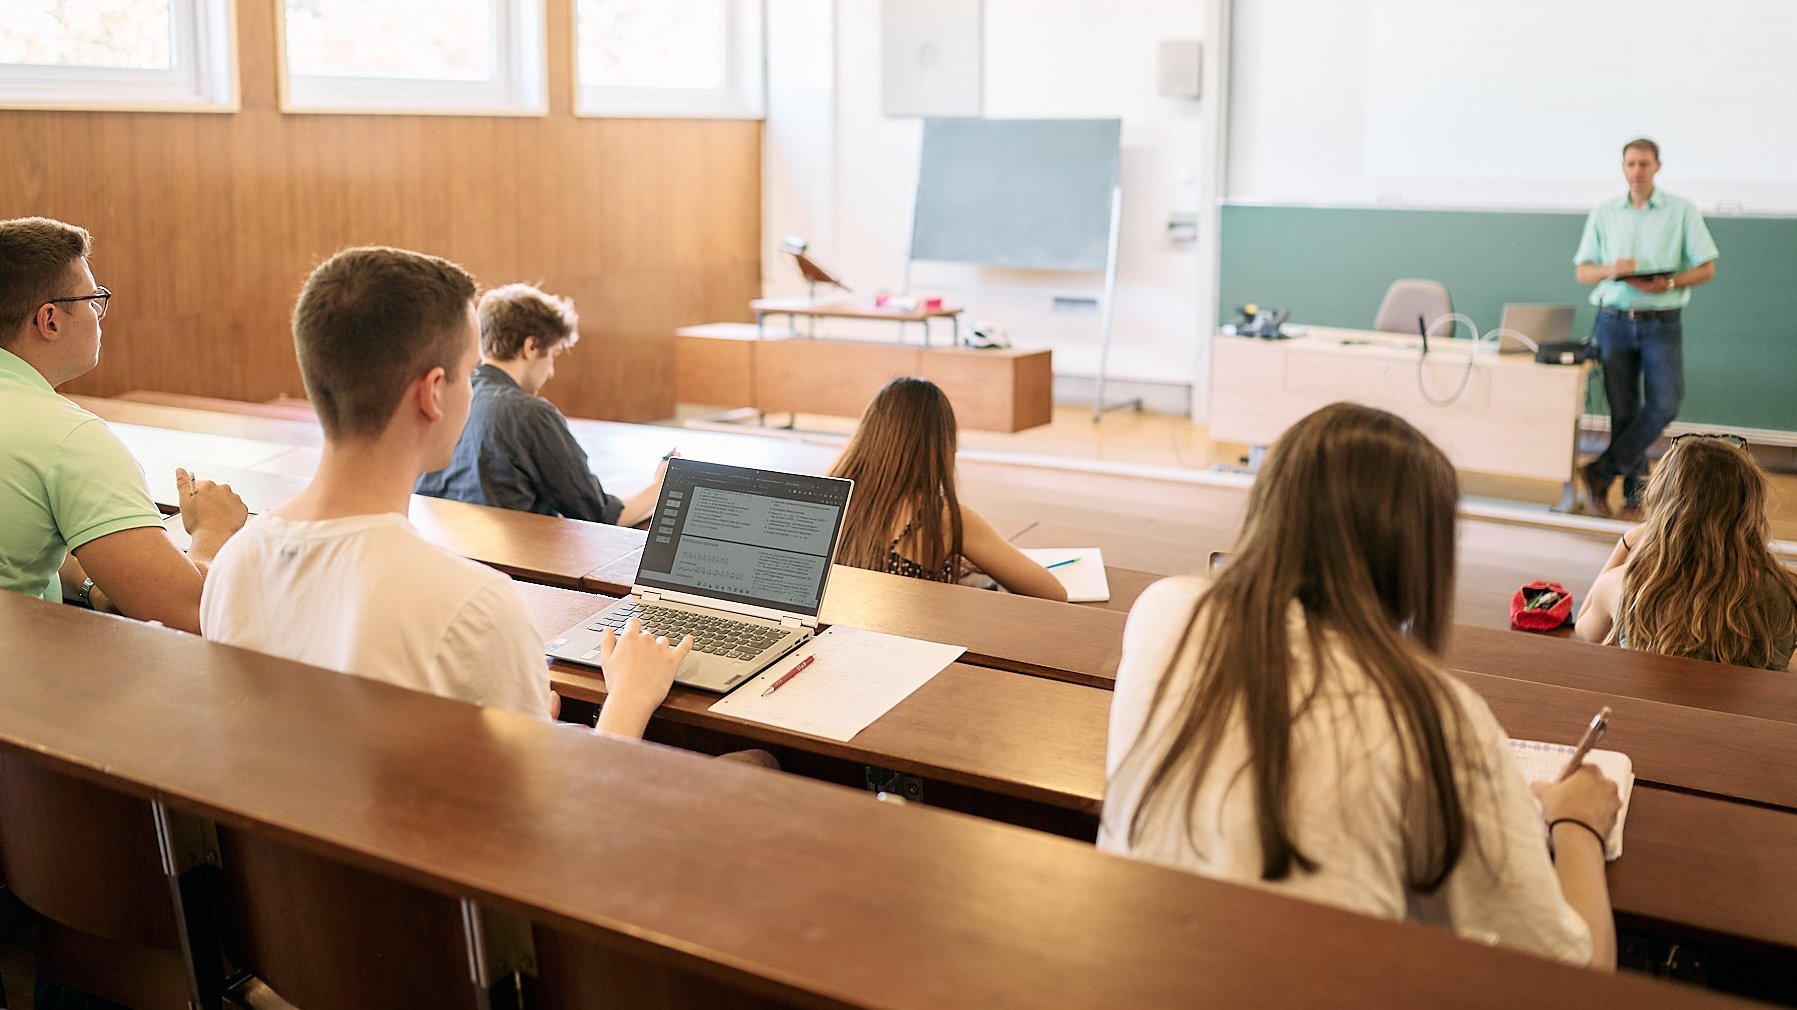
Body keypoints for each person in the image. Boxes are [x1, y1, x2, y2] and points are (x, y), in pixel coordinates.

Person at [1100, 402, 1621, 968]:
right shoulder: (1432, 711)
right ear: (1419, 555)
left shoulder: (1163, 611)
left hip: (1130, 966)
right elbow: (1577, 975)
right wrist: (1577, 823)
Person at [202, 248, 687, 736]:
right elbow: (555, 810)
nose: (476, 392)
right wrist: (629, 695)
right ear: (433, 392)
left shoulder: (233, 563)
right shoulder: (473, 607)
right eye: (472, 372)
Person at [0, 216, 246, 633]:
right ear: (50, 321)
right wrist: (211, 529)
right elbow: (190, 613)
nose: (99, 313)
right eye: (92, 299)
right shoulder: (69, 439)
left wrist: (95, 582)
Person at [414, 283, 671, 527]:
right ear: (531, 346)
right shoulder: (528, 413)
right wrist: (661, 486)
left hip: (448, 549)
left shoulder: (449, 396)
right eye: (554, 354)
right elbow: (600, 516)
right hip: (516, 565)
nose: (550, 372)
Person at [1575, 138, 1719, 519]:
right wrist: (1613, 270)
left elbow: (1706, 268)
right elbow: (1583, 271)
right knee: (1624, 413)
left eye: (1644, 164)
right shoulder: (1605, 213)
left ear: (1657, 166)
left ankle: (1600, 471)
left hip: (1662, 321)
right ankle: (1637, 498)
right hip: (1613, 321)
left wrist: (1669, 283)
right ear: (1622, 168)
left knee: (1665, 403)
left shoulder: (1681, 210)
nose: (1637, 170)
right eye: (1630, 164)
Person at [828, 377, 1067, 602]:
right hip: (909, 639)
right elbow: (1052, 593)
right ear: (942, 445)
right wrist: (986, 563)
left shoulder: (830, 495)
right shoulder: (940, 517)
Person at [1574, 434, 1797, 671]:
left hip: (1652, 709)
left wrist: (1626, 544)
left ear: (1662, 503)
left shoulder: (1623, 584)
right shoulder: (1787, 588)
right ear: (1749, 509)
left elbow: (1586, 632)